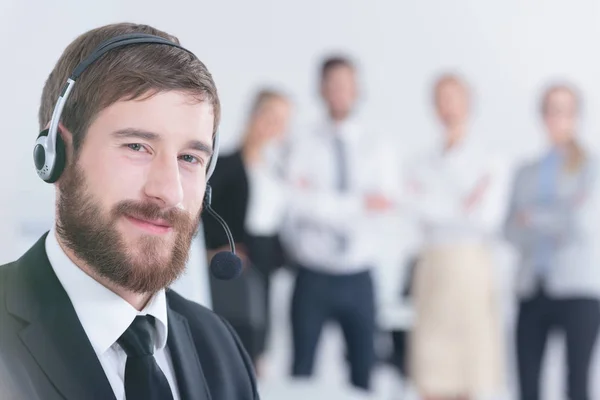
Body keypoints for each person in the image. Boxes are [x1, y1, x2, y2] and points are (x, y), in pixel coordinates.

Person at [0, 22, 259, 400]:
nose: (168, 192)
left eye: (189, 157)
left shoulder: (221, 347)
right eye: (137, 146)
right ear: (56, 155)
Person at [280, 55, 396, 391]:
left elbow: (385, 206)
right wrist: (359, 203)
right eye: (333, 83)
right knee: (301, 370)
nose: (340, 91)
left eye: (347, 84)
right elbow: (296, 204)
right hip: (312, 274)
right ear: (321, 88)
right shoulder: (302, 142)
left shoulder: (379, 146)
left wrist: (321, 200)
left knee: (365, 371)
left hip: (359, 276)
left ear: (358, 89)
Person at [406, 73, 507, 400]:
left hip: (469, 269)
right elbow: (413, 211)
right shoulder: (421, 159)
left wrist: (437, 206)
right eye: (440, 98)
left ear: (469, 103)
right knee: (430, 372)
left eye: (454, 97)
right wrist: (460, 204)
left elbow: (485, 218)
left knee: (467, 371)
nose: (447, 106)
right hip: (433, 267)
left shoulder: (490, 157)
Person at [504, 83, 600, 400]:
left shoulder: (591, 168)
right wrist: (559, 213)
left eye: (565, 110)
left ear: (576, 116)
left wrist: (532, 216)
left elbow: (583, 223)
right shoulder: (525, 171)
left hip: (578, 291)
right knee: (527, 383)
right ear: (542, 116)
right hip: (532, 287)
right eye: (551, 109)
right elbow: (509, 230)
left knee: (577, 384)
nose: (557, 117)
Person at [203, 88, 292, 374]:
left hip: (266, 261)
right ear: (255, 115)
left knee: (260, 340)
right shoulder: (228, 163)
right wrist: (217, 248)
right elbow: (205, 210)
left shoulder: (277, 168)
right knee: (235, 336)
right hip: (238, 259)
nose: (276, 125)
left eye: (283, 120)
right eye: (271, 116)